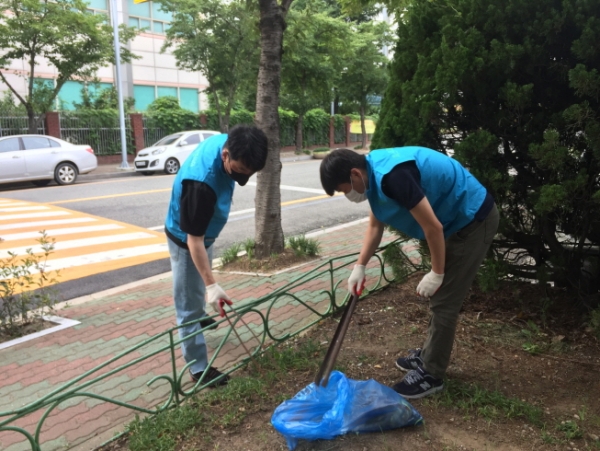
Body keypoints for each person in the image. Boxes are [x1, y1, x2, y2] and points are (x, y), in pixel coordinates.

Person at [320, 147, 499, 399]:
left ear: (354, 174)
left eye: (343, 188)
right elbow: (374, 225)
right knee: (441, 298)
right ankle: (428, 354)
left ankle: (432, 374)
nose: (347, 194)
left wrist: (437, 273)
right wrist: (360, 266)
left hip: (473, 219)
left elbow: (433, 228)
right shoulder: (371, 174)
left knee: (444, 300)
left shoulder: (394, 177)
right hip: (453, 222)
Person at [165, 124, 268, 386]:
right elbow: (194, 241)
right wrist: (213, 286)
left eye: (250, 172)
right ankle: (198, 368)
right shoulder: (200, 185)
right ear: (225, 156)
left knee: (199, 283)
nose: (243, 178)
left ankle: (200, 312)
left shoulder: (233, 141)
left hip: (203, 232)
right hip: (186, 239)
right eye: (241, 171)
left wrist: (208, 283)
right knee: (187, 304)